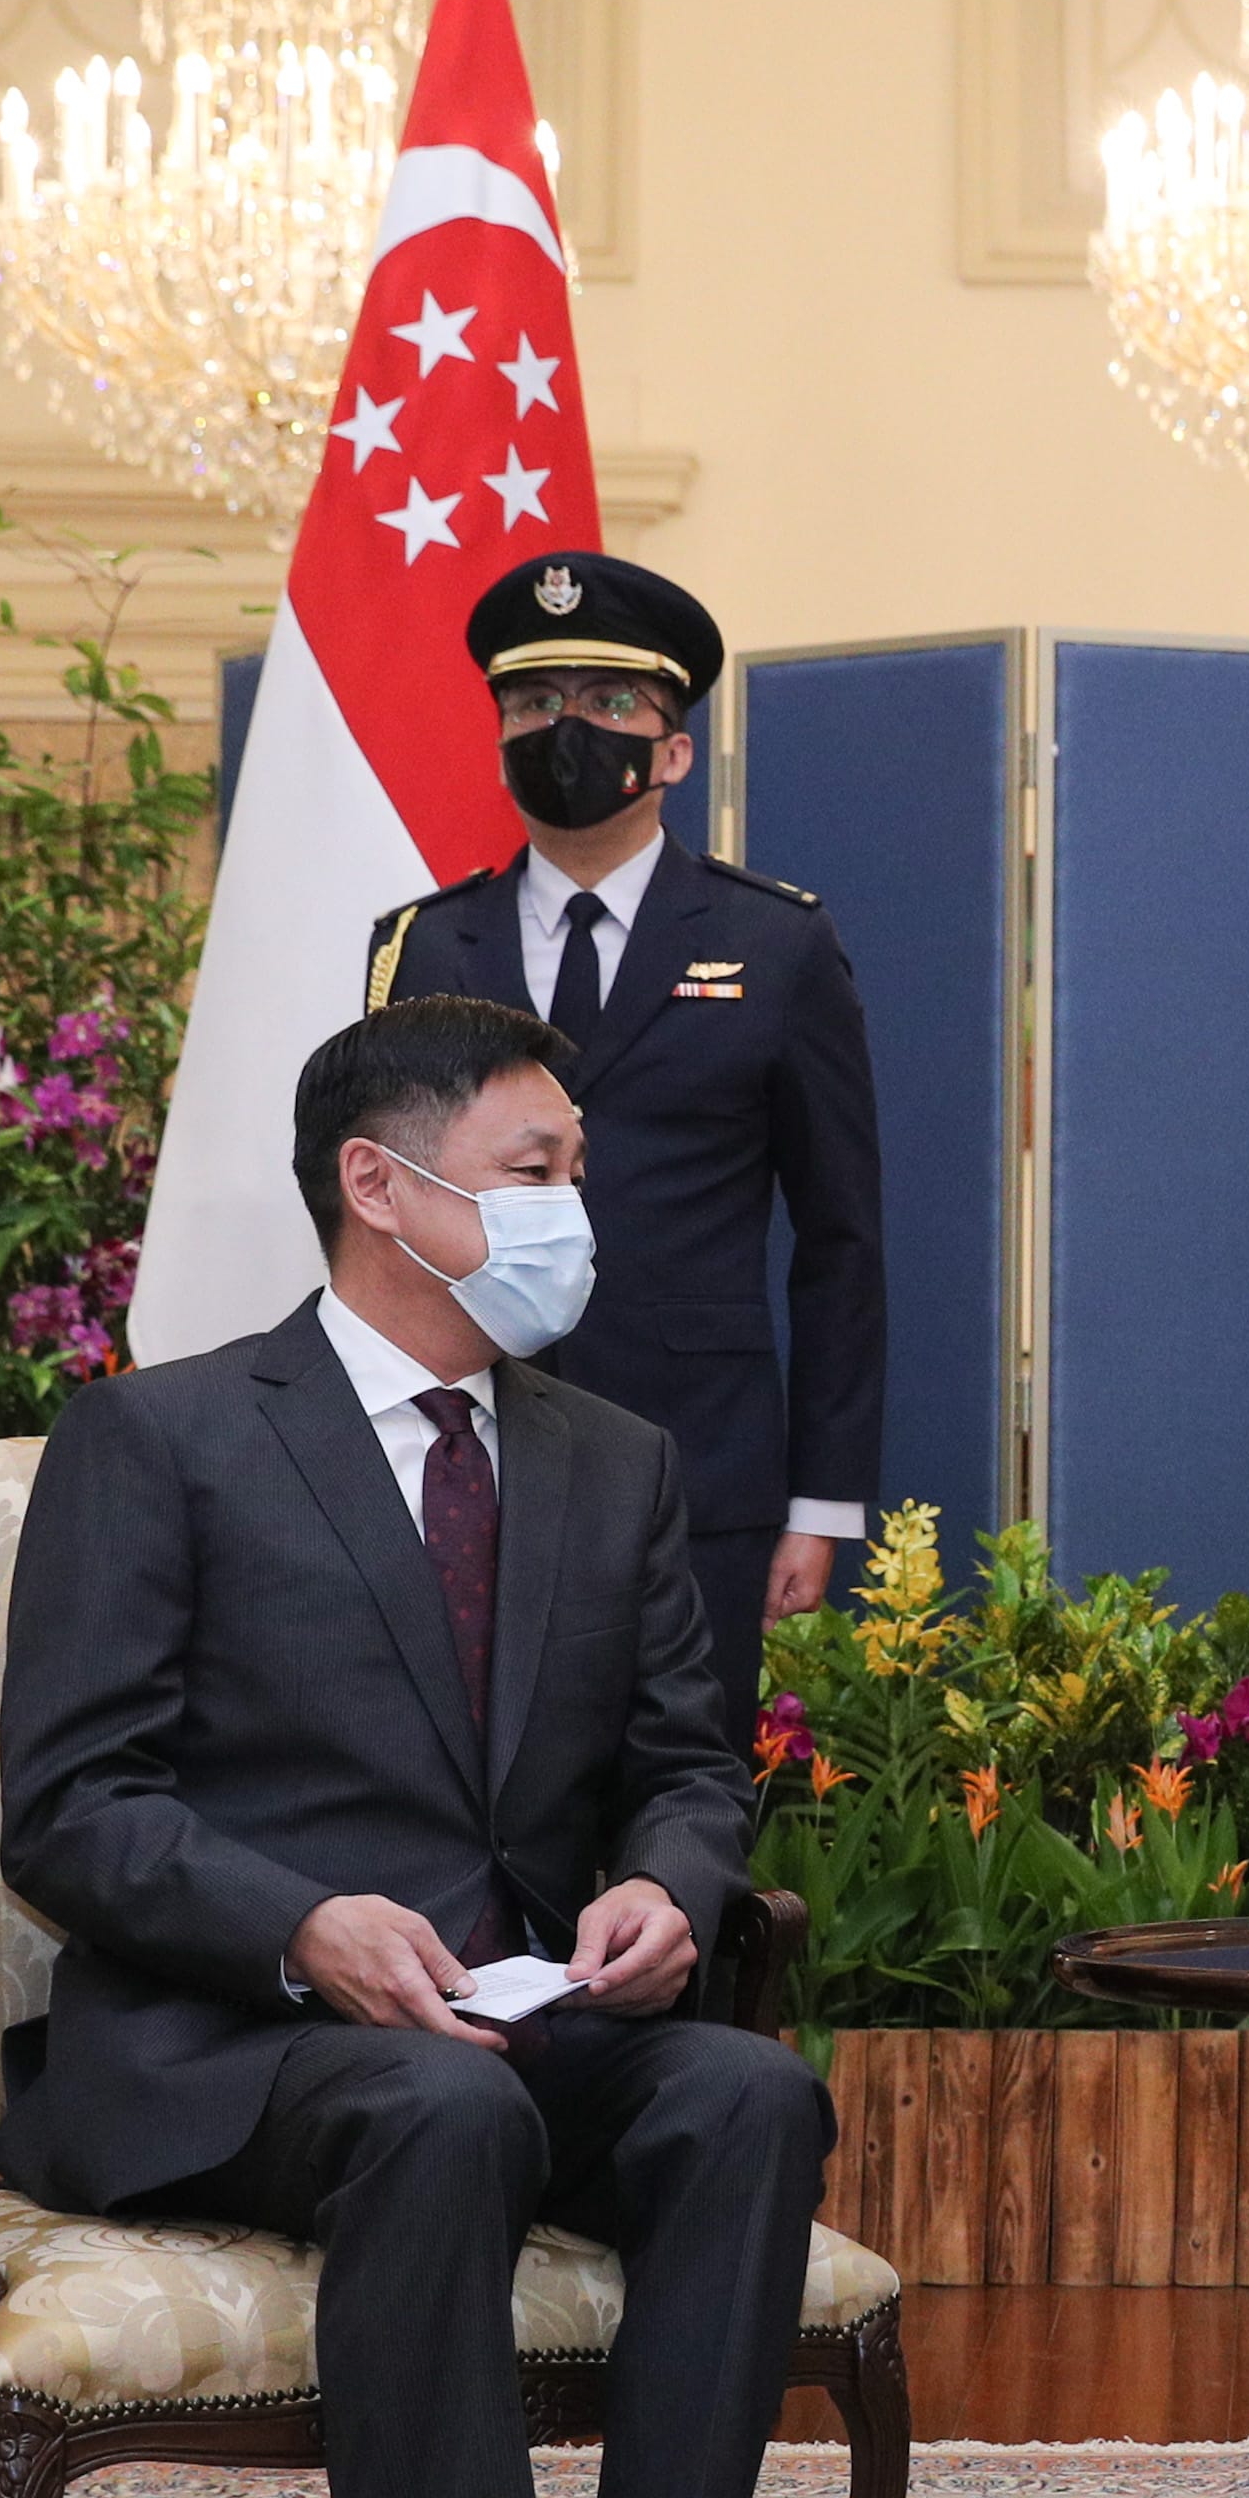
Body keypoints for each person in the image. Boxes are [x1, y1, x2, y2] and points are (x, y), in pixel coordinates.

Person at [0, 996, 837, 2498]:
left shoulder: (609, 1460)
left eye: (574, 1174)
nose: (576, 1211)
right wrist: (300, 1922)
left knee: (746, 2096)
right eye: (539, 1170)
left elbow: (688, 1765)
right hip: (242, 2043)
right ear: (385, 1185)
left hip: (527, 2013)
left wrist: (664, 1881)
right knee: (438, 2108)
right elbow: (71, 1807)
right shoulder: (165, 1434)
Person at [366, 550, 885, 1760]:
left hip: (700, 1459)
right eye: (535, 705)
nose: (568, 732)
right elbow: (377, 1213)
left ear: (673, 749)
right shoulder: (424, 945)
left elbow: (841, 1238)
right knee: (471, 1784)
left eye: (608, 707)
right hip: (464, 1445)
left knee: (679, 1795)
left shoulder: (775, 942)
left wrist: (816, 1503)